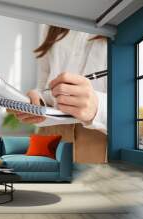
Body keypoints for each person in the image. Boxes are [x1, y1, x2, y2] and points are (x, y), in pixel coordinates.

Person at [9, 25, 107, 163]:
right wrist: (37, 98)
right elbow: (44, 85)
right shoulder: (51, 25)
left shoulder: (122, 14)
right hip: (50, 130)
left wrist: (98, 107)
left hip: (97, 136)